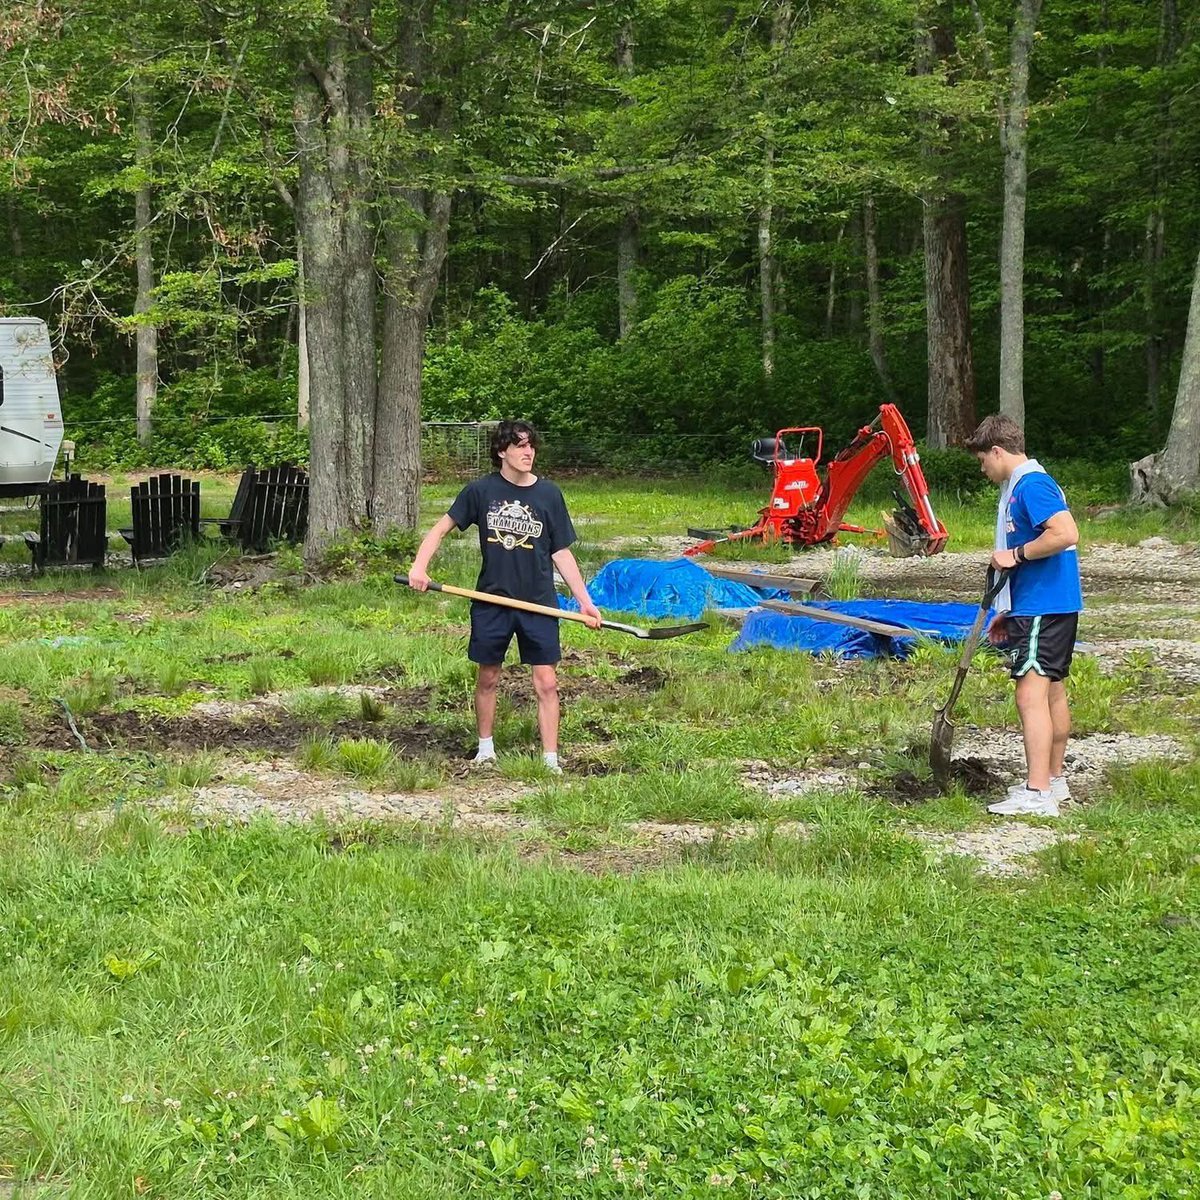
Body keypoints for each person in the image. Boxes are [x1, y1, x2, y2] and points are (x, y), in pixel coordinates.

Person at [406, 420, 602, 774]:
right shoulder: (481, 491)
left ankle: (550, 761)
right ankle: (485, 750)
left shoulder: (549, 495)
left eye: (531, 446)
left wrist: (584, 600)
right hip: (492, 600)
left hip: (539, 603)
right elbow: (441, 528)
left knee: (547, 681)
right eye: (520, 446)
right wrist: (419, 567)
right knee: (489, 676)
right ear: (502, 452)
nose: (529, 453)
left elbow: (562, 553)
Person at [964, 414, 1083, 817]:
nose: (983, 469)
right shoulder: (1023, 485)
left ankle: (1036, 793)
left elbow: (1065, 533)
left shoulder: (1032, 485)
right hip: (1040, 605)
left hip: (1044, 606)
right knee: (1051, 692)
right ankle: (1054, 781)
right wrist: (1006, 611)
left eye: (983, 460)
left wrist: (1014, 554)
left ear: (998, 451)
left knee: (1029, 694)